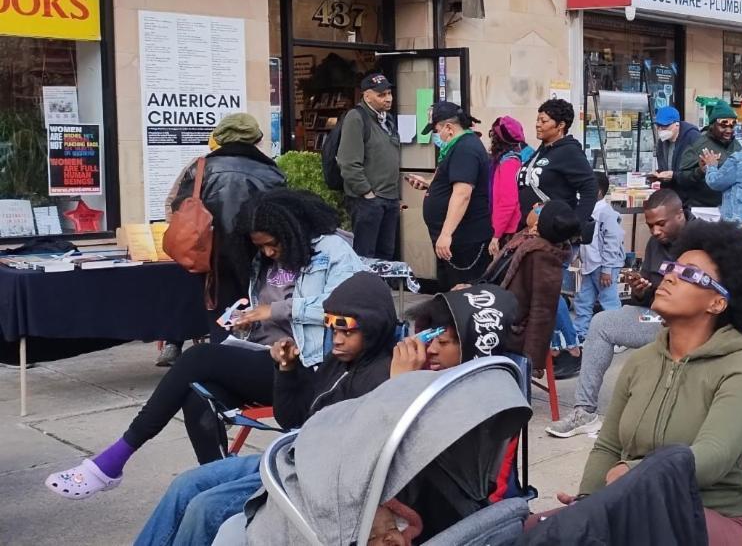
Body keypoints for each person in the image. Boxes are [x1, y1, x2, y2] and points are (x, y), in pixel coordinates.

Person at [132, 279, 516, 546]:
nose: (427, 348)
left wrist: (400, 386)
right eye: (428, 334)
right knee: (188, 484)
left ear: (470, 353)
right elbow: (295, 418)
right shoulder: (346, 364)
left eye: (442, 342)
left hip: (328, 483)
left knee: (204, 509)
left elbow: (373, 460)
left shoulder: (437, 393)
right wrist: (289, 373)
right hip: (303, 457)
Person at [46, 192, 364, 499]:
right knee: (198, 391)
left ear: (291, 231)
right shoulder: (262, 262)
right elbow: (265, 312)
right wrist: (248, 320)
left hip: (310, 368)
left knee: (198, 358)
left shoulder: (331, 249)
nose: (267, 252)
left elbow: (352, 305)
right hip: (267, 359)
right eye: (260, 246)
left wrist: (277, 310)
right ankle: (220, 488)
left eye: (272, 244)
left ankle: (113, 460)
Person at [556, 220, 742, 545]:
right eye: (673, 267)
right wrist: (586, 502)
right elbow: (607, 446)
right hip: (634, 505)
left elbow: (712, 457)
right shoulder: (642, 360)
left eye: (689, 274)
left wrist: (635, 473)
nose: (670, 277)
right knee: (543, 528)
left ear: (717, 303)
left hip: (710, 515)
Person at [546, 188, 689, 438]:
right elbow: (643, 298)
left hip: (688, 322)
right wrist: (641, 289)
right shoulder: (656, 244)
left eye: (661, 224)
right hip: (654, 316)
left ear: (680, 214)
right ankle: (585, 411)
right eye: (651, 225)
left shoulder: (704, 240)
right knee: (601, 322)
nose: (655, 231)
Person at [170, 113, 285, 343]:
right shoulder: (272, 173)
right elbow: (280, 219)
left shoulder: (201, 168)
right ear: (256, 139)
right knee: (255, 314)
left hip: (211, 258)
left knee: (220, 318)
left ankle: (222, 356)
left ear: (221, 138)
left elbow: (179, 207)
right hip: (258, 256)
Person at [485, 199, 580, 375]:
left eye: (539, 212)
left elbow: (542, 310)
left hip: (511, 324)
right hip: (495, 301)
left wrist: (532, 359)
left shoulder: (543, 254)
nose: (534, 209)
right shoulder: (527, 238)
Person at [405, 101, 493, 291]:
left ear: (449, 127)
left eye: (436, 130)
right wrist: (430, 185)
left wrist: (446, 234)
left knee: (462, 292)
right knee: (450, 290)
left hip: (464, 238)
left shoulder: (465, 149)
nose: (437, 136)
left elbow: (462, 194)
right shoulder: (456, 147)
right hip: (455, 238)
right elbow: (453, 184)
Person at [337, 73, 402, 260]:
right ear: (367, 96)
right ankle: (366, 290)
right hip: (368, 200)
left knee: (386, 254)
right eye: (381, 95)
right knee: (366, 255)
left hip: (389, 197)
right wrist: (367, 193)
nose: (388, 98)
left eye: (389, 93)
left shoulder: (386, 119)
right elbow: (348, 161)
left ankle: (382, 290)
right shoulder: (356, 117)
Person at [518, 98, 597, 237]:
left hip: (554, 235)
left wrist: (574, 223)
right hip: (533, 231)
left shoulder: (569, 151)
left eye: (543, 121)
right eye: (537, 120)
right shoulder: (542, 150)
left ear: (560, 125)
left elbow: (590, 188)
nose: (537, 125)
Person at [574, 172, 625, 341]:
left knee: (609, 302)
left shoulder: (607, 213)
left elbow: (612, 242)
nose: (580, 193)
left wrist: (607, 269)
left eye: (585, 189)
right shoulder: (585, 211)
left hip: (604, 267)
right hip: (587, 265)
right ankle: (581, 334)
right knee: (582, 301)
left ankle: (618, 336)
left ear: (598, 192)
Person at [675, 100, 742, 209]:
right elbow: (681, 178)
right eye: (723, 126)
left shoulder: (737, 146)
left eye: (732, 126)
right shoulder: (698, 145)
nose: (729, 130)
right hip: (703, 208)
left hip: (731, 208)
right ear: (713, 125)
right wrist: (700, 171)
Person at [487, 115, 527, 257]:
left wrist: (496, 235)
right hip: (506, 229)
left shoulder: (509, 163)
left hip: (507, 232)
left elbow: (508, 202)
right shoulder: (508, 160)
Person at [650, 106, 702, 188]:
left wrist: (674, 176)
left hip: (691, 193)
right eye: (658, 126)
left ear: (676, 124)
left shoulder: (693, 138)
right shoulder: (662, 142)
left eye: (665, 126)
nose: (660, 129)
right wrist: (658, 174)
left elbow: (699, 171)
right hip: (671, 193)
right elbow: (666, 168)